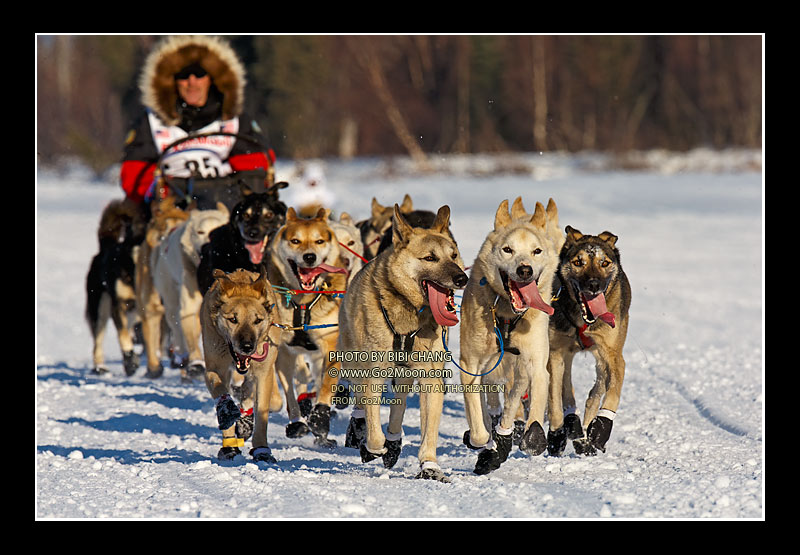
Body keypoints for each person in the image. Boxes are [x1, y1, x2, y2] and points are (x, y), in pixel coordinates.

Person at [120, 35, 275, 211]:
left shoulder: (234, 120)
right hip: (171, 210)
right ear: (173, 81)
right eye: (184, 76)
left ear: (211, 79)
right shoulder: (151, 123)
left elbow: (256, 169)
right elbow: (134, 175)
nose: (192, 83)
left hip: (225, 207)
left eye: (199, 74)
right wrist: (160, 191)